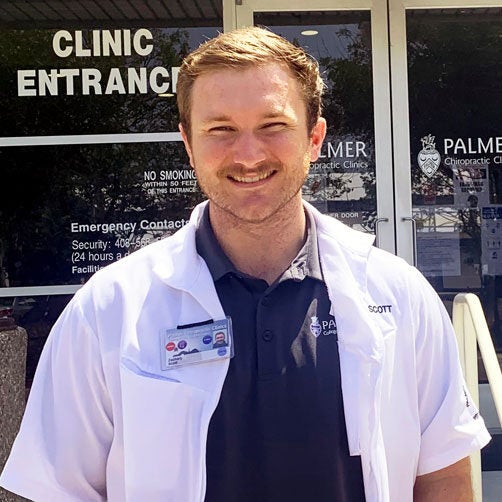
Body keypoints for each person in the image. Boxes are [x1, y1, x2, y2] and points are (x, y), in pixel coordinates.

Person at [0, 27, 491, 502]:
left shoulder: (399, 295)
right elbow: (62, 490)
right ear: (189, 145)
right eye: (221, 130)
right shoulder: (106, 311)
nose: (248, 154)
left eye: (273, 126)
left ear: (315, 139)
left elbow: (444, 472)